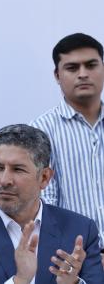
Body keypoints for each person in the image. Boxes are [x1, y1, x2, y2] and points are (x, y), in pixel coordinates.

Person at [0, 124, 104, 284]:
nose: (4, 180)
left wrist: (73, 283)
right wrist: (20, 280)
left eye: (17, 169)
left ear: (44, 178)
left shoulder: (80, 230)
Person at [31, 33, 104, 265]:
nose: (83, 74)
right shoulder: (41, 130)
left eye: (91, 65)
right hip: (74, 260)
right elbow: (44, 207)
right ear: (57, 75)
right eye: (72, 68)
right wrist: (89, 259)